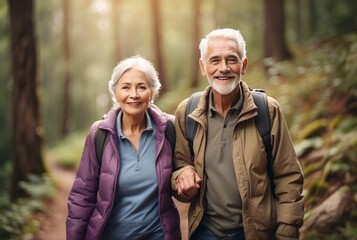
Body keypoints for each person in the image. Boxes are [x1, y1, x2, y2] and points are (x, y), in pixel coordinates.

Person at [172, 28, 304, 240]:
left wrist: (287, 231)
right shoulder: (187, 112)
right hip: (205, 232)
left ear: (243, 65)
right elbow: (178, 164)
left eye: (231, 59)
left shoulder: (267, 111)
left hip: (255, 233)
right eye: (214, 60)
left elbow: (288, 177)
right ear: (203, 67)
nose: (223, 68)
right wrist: (182, 174)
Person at [66, 55, 181, 240]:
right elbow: (82, 196)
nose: (133, 94)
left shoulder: (170, 128)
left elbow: (185, 168)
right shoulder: (100, 134)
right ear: (115, 92)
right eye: (126, 87)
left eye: (141, 87)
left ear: (152, 92)